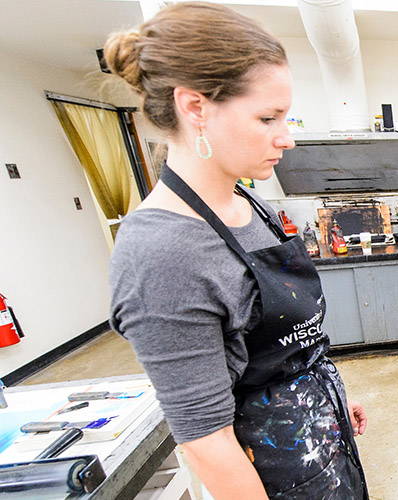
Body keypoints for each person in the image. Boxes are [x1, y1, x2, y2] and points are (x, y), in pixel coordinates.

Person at [106, 3, 367, 498]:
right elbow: (207, 442)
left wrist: (327, 400)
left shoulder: (245, 200)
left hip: (324, 448)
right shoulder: (161, 254)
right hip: (268, 480)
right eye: (268, 117)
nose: (286, 138)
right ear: (195, 107)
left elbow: (287, 346)